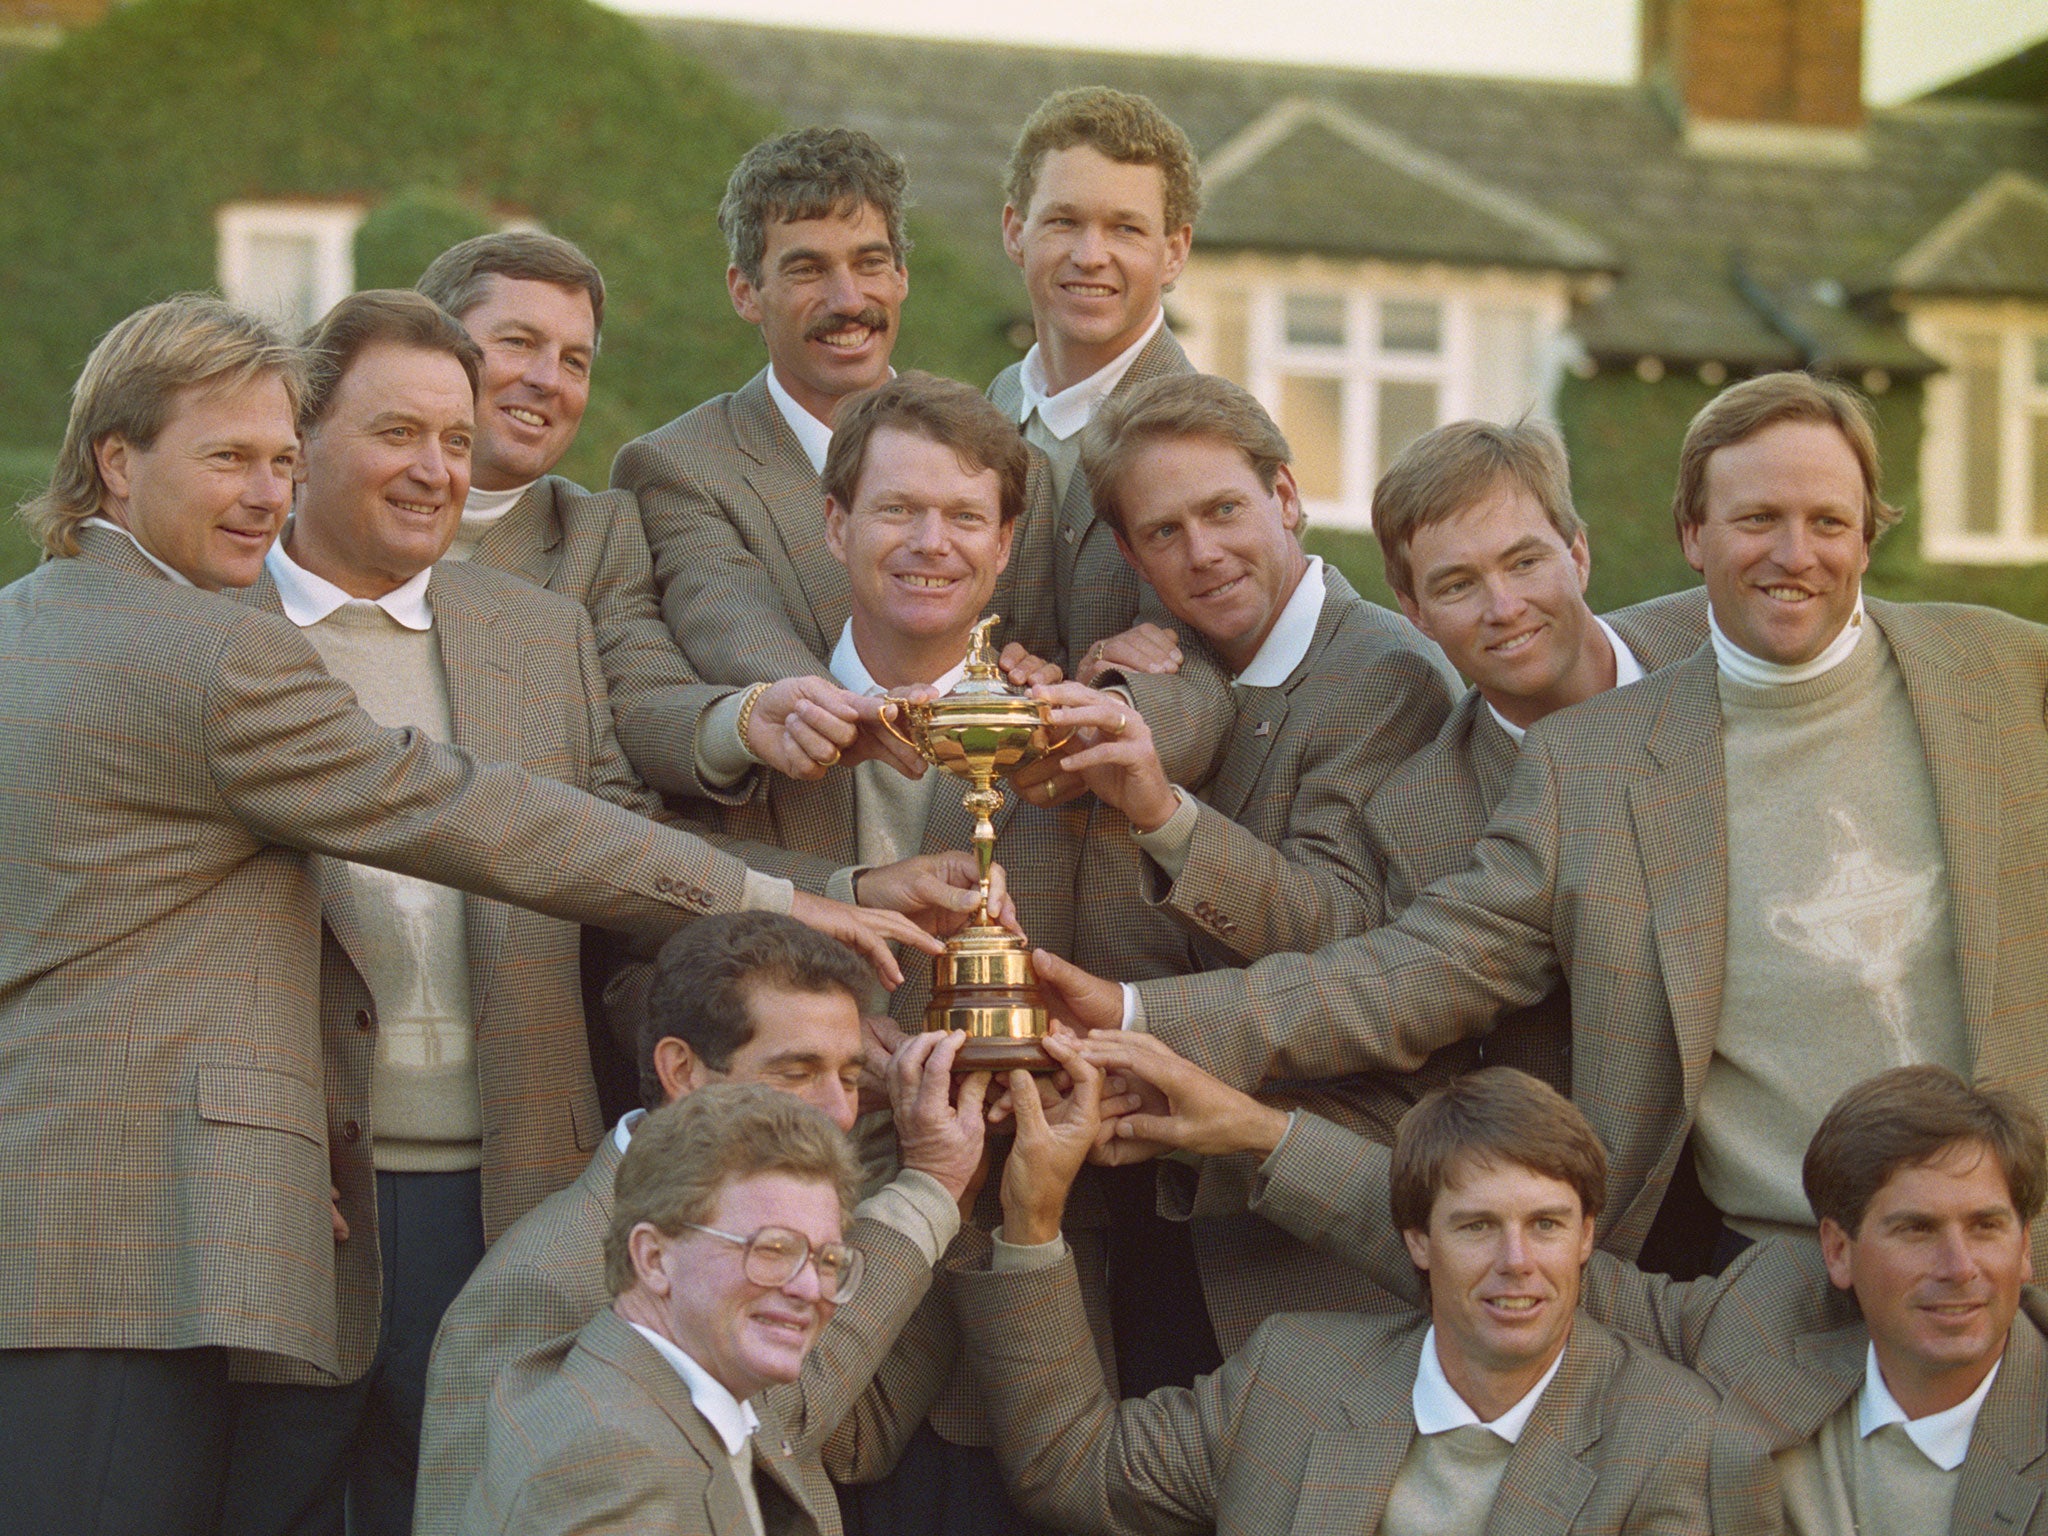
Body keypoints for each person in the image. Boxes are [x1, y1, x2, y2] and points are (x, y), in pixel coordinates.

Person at [0, 296, 929, 1536]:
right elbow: (469, 813)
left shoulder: (33, 619)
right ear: (115, 460)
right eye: (230, 456)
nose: (263, 493)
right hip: (134, 1224)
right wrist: (786, 894)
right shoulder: (209, 652)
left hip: (144, 1207)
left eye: (275, 460)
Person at [1035, 370, 2048, 1275]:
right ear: (1413, 608)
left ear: (1578, 551)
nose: (1504, 607)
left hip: (1990, 1216)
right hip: (1682, 1239)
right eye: (1457, 584)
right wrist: (1139, 1016)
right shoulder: (1473, 799)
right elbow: (1392, 979)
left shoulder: (1873, 648)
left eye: (1524, 563)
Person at [1098, 1044, 2047, 1536]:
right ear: (1838, 1251)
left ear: (2028, 1249)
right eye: (1916, 1230)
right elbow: (1504, 1258)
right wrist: (1258, 1134)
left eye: (1987, 1228)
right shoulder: (1765, 1320)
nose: (1957, 1269)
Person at [952, 1049, 1732, 1534]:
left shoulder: (1669, 1439)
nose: (1517, 1260)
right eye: (1477, 1227)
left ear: (1590, 1236)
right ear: (1417, 1241)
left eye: (1549, 1225)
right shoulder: (1295, 1378)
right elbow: (1074, 1473)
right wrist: (1032, 1217)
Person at [415, 912, 990, 1536]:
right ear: (682, 1071)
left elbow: (793, 1411)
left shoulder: (755, 1215)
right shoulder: (535, 1284)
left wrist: (938, 1184)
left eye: (850, 1078)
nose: (839, 1112)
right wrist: (933, 1185)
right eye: (795, 1074)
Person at [613, 127, 1058, 714]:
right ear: (745, 291)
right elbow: (736, 631)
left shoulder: (1018, 466)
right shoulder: (680, 468)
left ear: (902, 276)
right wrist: (874, 717)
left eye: (870, 263)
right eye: (807, 270)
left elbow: (1050, 654)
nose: (848, 299)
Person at [416, 231, 819, 797]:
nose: (546, 380)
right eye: (517, 342)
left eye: (574, 361)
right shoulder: (299, 514)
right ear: (432, 346)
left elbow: (644, 697)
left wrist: (741, 723)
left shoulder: (594, 535)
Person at [461, 1085, 866, 1535]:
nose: (810, 1288)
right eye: (772, 1249)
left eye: (829, 1261)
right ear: (653, 1259)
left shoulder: (667, 1406)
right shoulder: (609, 1463)